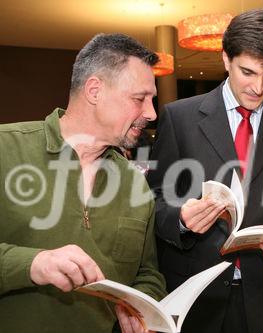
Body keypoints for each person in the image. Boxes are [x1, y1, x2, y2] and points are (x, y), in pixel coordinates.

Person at [147, 9, 263, 333]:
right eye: (248, 72)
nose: (259, 87)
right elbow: (154, 199)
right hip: (196, 296)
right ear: (226, 59)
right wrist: (182, 220)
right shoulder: (179, 118)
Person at [0, 33, 166, 333]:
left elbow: (148, 272)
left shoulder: (135, 182)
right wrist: (32, 264)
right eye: (139, 99)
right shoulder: (5, 149)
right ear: (94, 90)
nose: (151, 113)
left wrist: (142, 305)